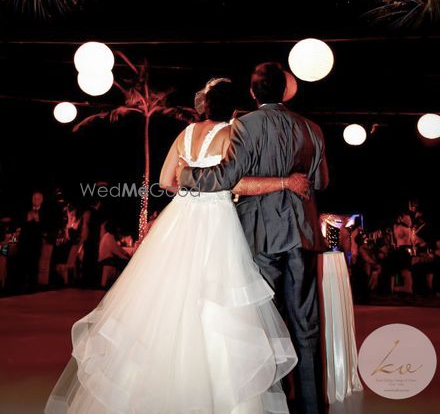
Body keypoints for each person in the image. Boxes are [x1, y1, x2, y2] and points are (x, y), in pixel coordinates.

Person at [45, 77, 309, 414]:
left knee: (167, 296)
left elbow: (165, 181)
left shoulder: (183, 135)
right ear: (232, 108)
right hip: (216, 222)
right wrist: (281, 183)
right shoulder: (232, 134)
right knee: (218, 302)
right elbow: (235, 181)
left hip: (181, 218)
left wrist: (190, 180)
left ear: (204, 105)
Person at [179, 63, 329, 414]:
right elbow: (320, 183)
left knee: (265, 324)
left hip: (260, 235)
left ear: (252, 92)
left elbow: (228, 177)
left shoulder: (245, 125)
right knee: (306, 327)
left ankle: (275, 402)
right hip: (302, 236)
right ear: (286, 91)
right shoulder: (313, 129)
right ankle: (311, 406)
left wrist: (188, 175)